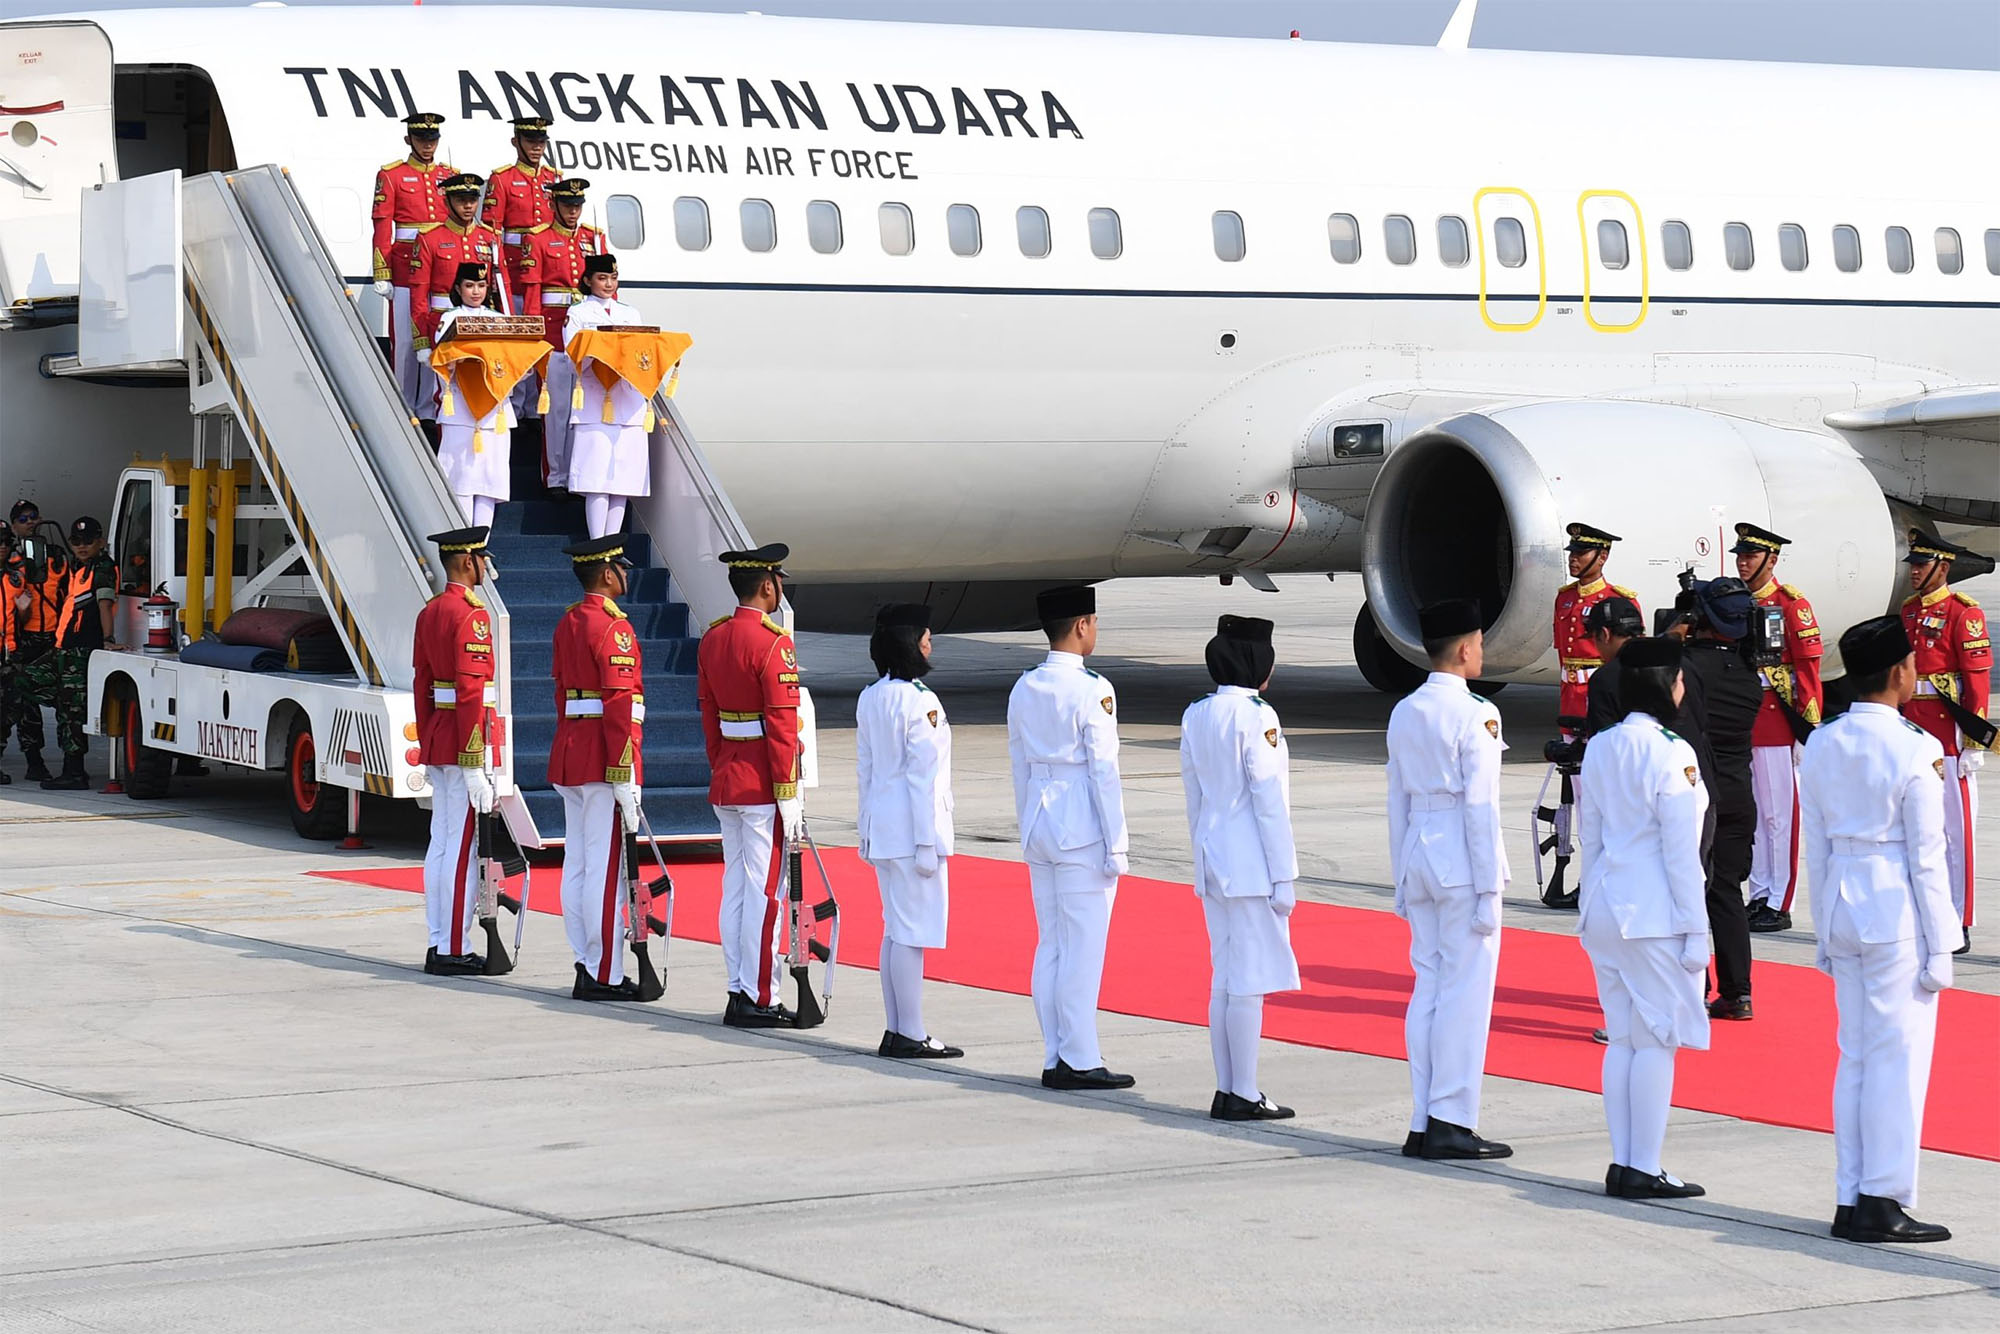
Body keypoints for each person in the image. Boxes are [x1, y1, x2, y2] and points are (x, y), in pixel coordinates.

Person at [1800, 615, 1957, 1245]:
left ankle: (1850, 1193)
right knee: (1899, 1061)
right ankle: (1882, 1198)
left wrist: (1820, 928)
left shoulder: (1822, 743)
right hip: (1894, 910)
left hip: (1841, 900)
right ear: (1899, 672)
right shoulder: (1916, 747)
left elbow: (1814, 846)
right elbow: (1928, 855)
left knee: (1858, 1057)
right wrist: (1943, 943)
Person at [1578, 635, 1711, 1200]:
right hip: (1654, 911)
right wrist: (1697, 931)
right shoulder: (1672, 751)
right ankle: (1644, 1164)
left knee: (1626, 1040)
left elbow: (1591, 834)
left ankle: (1625, 1161)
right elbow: (1682, 855)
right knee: (1657, 1040)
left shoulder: (1602, 745)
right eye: (1679, 679)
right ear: (1666, 686)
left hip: (1607, 902)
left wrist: (1588, 904)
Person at [1385, 598, 1512, 1160]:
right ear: (1464, 649)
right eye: (1480, 642)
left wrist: (1399, 876)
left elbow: (1395, 802)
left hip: (1418, 853)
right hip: (1461, 859)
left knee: (1429, 988)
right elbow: (1480, 806)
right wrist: (1489, 886)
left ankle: (1422, 1116)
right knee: (1466, 994)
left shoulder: (1406, 709)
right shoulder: (1476, 713)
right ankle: (1452, 1118)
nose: (1481, 651)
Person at [1009, 584, 1135, 1092]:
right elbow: (1104, 771)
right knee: (1083, 947)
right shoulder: (1093, 690)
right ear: (1082, 625)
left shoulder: (1026, 685)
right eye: (1094, 623)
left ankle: (1055, 1052)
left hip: (1039, 821)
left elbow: (1018, 761)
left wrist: (1026, 823)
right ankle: (1080, 1057)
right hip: (1080, 824)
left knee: (1053, 944)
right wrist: (1118, 841)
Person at [1180, 614, 1300, 1121]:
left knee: (1225, 978)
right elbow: (1269, 801)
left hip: (1213, 855)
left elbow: (1193, 795)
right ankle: (1244, 1091)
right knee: (1247, 979)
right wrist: (1284, 874)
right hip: (1251, 861)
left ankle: (1228, 1087)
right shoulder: (1258, 717)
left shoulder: (1197, 713)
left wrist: (1200, 853)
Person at [697, 543, 803, 1027]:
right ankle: (761, 995)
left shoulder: (714, 638)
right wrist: (788, 790)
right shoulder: (773, 643)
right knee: (764, 894)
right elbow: (782, 725)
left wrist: (723, 763)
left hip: (729, 778)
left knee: (736, 889)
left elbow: (709, 717)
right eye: (778, 581)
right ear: (767, 585)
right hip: (762, 782)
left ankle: (739, 986)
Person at [855, 602, 962, 1060]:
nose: (929, 645)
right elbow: (923, 779)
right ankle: (911, 1031)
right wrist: (926, 841)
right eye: (925, 638)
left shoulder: (871, 696)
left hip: (883, 827)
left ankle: (898, 1028)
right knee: (912, 932)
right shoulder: (921, 702)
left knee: (896, 931)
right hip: (912, 831)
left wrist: (864, 830)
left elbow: (866, 770)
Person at [550, 534, 650, 1002]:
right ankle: (604, 972)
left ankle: (584, 960)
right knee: (605, 869)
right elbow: (619, 705)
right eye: (622, 569)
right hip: (602, 759)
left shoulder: (568, 621)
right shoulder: (614, 628)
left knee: (579, 864)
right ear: (608, 574)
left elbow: (561, 692)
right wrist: (625, 770)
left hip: (571, 751)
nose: (626, 576)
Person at [411, 527, 498, 975]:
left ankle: (439, 939)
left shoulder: (430, 612)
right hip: (463, 740)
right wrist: (474, 761)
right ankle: (451, 948)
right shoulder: (472, 615)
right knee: (460, 848)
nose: (486, 566)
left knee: (441, 843)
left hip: (440, 735)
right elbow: (469, 690)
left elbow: (422, 684)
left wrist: (428, 742)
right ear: (467, 561)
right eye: (482, 559)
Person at [1899, 529, 1990, 952]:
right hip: (1916, 727)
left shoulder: (1963, 613)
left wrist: (1975, 740)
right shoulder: (1909, 611)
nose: (1915, 572)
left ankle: (1959, 918)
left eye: (1922, 565)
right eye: (1913, 565)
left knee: (1957, 834)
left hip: (1949, 732)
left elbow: (1976, 681)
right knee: (1921, 830)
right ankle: (1927, 912)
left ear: (1943, 567)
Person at [1675, 578, 1762, 1021]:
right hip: (1738, 792)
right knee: (1727, 891)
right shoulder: (1750, 671)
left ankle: (1692, 986)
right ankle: (1737, 992)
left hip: (1698, 793)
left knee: (1687, 892)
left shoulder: (1687, 667)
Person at [1733, 524, 1824, 933]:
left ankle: (1778, 899)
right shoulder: (1737, 603)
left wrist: (1808, 728)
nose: (1742, 561)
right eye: (1740, 555)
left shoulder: (1791, 605)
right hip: (1746, 718)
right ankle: (1759, 892)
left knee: (1778, 816)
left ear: (1771, 560)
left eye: (1751, 556)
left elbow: (1808, 670)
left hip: (1778, 720)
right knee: (1754, 815)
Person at [521, 178, 606, 494]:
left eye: (577, 206)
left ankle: (577, 474)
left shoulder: (593, 240)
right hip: (555, 335)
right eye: (568, 206)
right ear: (553, 205)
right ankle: (556, 476)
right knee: (557, 410)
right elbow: (532, 293)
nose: (573, 212)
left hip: (587, 337)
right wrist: (535, 339)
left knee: (582, 411)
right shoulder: (538, 239)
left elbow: (607, 285)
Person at [409, 173, 508, 425]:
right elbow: (419, 293)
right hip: (442, 323)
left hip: (481, 324)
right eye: (461, 200)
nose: (468, 206)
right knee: (447, 394)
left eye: (472, 200)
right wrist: (421, 340)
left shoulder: (489, 237)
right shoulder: (429, 238)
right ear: (448, 202)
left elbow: (500, 288)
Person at [561, 254, 649, 538]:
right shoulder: (578, 313)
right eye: (602, 278)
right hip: (595, 399)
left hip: (627, 400)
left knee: (622, 481)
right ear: (588, 280)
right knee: (596, 478)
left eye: (613, 278)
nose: (609, 284)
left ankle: (613, 544)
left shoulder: (630, 313)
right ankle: (598, 542)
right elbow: (572, 352)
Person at [371, 112, 453, 414]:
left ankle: (431, 407)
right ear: (410, 140)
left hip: (441, 271)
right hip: (406, 268)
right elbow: (383, 225)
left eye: (432, 139)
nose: (428, 145)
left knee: (438, 338)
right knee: (405, 343)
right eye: (422, 139)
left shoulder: (449, 175)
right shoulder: (391, 175)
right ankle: (404, 407)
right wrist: (383, 270)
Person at [431, 263, 512, 528]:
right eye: (469, 285)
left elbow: (513, 362)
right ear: (458, 288)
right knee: (462, 478)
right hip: (462, 405)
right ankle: (464, 541)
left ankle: (481, 546)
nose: (475, 291)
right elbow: (442, 355)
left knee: (489, 482)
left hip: (494, 407)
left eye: (481, 285)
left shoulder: (500, 320)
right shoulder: (449, 318)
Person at [4, 499, 74, 787]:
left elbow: (71, 593)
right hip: (25, 639)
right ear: (14, 526)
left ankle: (70, 762)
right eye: (23, 518)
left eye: (33, 516)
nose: (30, 521)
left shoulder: (56, 555)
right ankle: (34, 760)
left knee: (64, 700)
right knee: (25, 703)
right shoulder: (10, 563)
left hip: (55, 637)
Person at [1552, 523, 1640, 739]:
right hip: (1571, 696)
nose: (1573, 558)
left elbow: (1631, 657)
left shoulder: (1619, 600)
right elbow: (1562, 651)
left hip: (1602, 693)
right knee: (1574, 768)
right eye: (1572, 552)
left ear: (1602, 557)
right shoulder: (1565, 598)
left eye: (1581, 552)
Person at [480, 116, 558, 300]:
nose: (537, 147)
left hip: (549, 265)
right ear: (516, 142)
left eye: (541, 142)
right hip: (514, 264)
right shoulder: (502, 179)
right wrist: (494, 270)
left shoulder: (554, 178)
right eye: (530, 141)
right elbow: (492, 230)